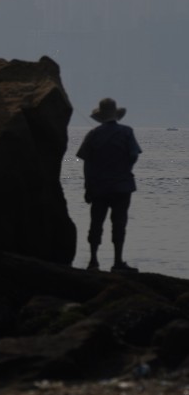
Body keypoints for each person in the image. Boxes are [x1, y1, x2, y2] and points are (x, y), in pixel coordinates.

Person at [76, 97, 142, 273]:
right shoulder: (127, 132)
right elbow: (134, 154)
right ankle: (117, 261)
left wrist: (87, 187)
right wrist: (126, 168)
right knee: (119, 223)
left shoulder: (93, 134)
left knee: (96, 222)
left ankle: (93, 260)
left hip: (98, 187)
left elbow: (86, 163)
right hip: (122, 187)